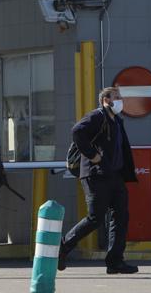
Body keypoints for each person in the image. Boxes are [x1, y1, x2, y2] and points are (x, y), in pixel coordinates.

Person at [58, 87, 138, 274]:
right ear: (105, 100)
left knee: (121, 216)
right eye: (116, 97)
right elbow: (77, 131)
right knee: (95, 218)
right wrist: (92, 155)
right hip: (95, 175)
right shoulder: (97, 116)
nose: (120, 101)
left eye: (120, 97)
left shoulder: (117, 120)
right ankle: (62, 248)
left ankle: (115, 261)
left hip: (115, 175)